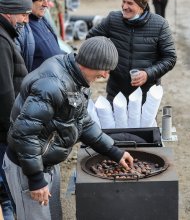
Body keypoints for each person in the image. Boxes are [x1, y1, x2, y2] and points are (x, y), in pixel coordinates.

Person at [4, 36, 134, 220]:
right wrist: (35, 179)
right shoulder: (52, 85)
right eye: (104, 69)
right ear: (90, 62)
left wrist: (114, 151)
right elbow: (24, 133)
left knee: (53, 215)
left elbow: (82, 122)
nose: (105, 75)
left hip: (46, 161)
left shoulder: (77, 79)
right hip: (26, 166)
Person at [86, 0, 177, 103]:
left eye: (130, 3)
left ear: (141, 6)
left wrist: (147, 74)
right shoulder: (113, 19)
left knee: (143, 123)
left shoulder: (160, 25)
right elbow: (91, 39)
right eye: (123, 1)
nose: (124, 7)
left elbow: (170, 58)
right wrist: (104, 64)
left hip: (146, 94)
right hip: (116, 91)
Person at [0, 0, 33, 219]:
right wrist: (13, 130)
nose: (26, 19)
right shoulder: (2, 41)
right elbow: (4, 92)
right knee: (6, 187)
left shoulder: (6, 35)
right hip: (4, 130)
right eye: (24, 14)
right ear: (11, 12)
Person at [16, 0, 63, 72]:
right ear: (28, 2)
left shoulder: (42, 19)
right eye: (41, 0)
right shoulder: (21, 27)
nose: (46, 4)